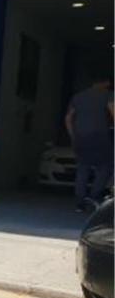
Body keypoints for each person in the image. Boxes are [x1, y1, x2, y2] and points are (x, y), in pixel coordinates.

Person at [65, 74, 114, 212]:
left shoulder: (78, 97)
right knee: (105, 168)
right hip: (100, 137)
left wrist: (73, 136)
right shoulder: (108, 95)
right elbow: (113, 112)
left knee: (82, 169)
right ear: (106, 82)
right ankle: (93, 198)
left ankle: (80, 203)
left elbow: (68, 118)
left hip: (81, 138)